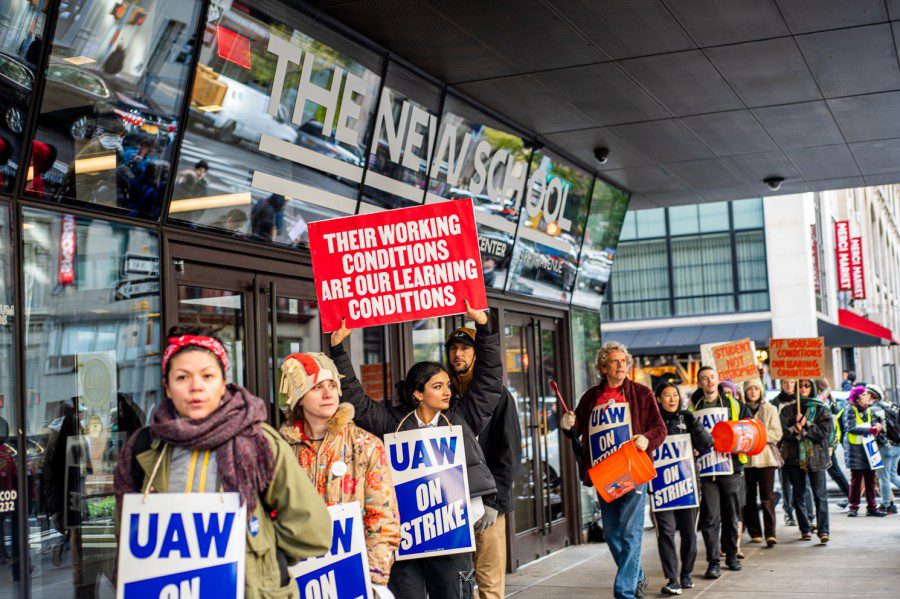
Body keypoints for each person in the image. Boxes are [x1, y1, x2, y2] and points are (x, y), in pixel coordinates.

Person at [113, 325, 333, 597]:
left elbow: (312, 531)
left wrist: (260, 555)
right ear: (167, 387)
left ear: (223, 383)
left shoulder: (259, 441)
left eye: (207, 375)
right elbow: (127, 535)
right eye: (182, 377)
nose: (196, 386)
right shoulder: (142, 447)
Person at [329, 301, 502, 599]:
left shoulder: (461, 417)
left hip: (451, 536)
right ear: (418, 394)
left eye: (447, 385)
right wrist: (338, 350)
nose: (447, 391)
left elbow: (489, 381)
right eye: (437, 386)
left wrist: (484, 327)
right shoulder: (392, 422)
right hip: (407, 538)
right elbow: (355, 399)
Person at [278, 351, 400, 592]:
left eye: (332, 385)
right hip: (296, 580)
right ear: (299, 398)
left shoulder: (366, 445)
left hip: (352, 577)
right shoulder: (280, 450)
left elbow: (383, 519)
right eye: (316, 387)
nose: (328, 393)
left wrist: (373, 580)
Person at [561, 341, 666, 599]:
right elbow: (577, 431)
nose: (621, 365)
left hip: (633, 470)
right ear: (603, 367)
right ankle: (637, 576)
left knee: (630, 532)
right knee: (611, 534)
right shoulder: (591, 398)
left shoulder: (641, 394)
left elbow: (659, 429)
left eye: (624, 361)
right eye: (615, 361)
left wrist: (646, 439)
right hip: (605, 474)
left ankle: (625, 592)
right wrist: (567, 426)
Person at [445, 325, 521, 599]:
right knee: (458, 576)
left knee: (489, 577)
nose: (458, 354)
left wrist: (494, 502)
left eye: (465, 348)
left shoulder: (498, 395)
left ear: (478, 354)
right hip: (453, 499)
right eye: (453, 349)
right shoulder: (445, 395)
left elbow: (509, 452)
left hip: (488, 502)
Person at [652, 382, 713, 596]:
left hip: (688, 486)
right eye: (666, 395)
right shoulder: (651, 421)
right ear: (658, 398)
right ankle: (672, 579)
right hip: (661, 488)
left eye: (674, 395)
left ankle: (686, 574)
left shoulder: (687, 418)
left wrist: (694, 423)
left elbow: (707, 443)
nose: (671, 399)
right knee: (666, 533)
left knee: (689, 533)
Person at [690, 366, 750, 579]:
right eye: (704, 379)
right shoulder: (692, 408)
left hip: (731, 468)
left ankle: (732, 555)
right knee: (710, 517)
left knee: (731, 516)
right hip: (707, 471)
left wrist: (737, 440)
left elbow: (750, 430)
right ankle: (713, 561)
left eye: (712, 377)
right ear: (699, 383)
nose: (709, 382)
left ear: (718, 380)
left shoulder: (734, 405)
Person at [778, 379, 833, 543]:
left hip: (816, 457)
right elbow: (781, 433)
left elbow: (824, 433)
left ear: (813, 388)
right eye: (800, 386)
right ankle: (805, 528)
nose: (803, 388)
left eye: (806, 386)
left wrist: (807, 424)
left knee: (820, 495)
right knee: (798, 494)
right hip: (794, 458)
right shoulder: (787, 410)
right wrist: (794, 429)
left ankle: (823, 530)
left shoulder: (822, 410)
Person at [742, 378, 782, 547]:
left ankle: (770, 533)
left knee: (767, 497)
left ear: (761, 391)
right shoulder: (741, 410)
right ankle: (755, 532)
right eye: (750, 389)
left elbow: (777, 433)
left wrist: (756, 434)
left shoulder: (770, 409)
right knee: (749, 497)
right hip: (747, 461)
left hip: (766, 459)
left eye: (756, 389)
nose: (753, 392)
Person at [816, 378, 851, 507]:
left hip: (826, 442)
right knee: (834, 471)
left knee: (833, 471)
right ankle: (851, 497)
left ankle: (851, 497)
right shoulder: (831, 402)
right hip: (829, 442)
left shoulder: (824, 402)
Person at [868, 384, 900, 514]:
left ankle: (885, 503)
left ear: (870, 396)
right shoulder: (890, 405)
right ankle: (886, 502)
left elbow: (873, 429)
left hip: (885, 447)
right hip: (897, 445)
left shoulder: (873, 409)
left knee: (883, 477)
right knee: (892, 475)